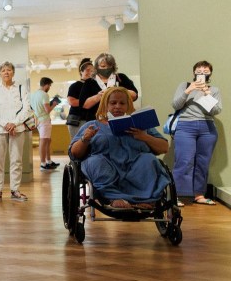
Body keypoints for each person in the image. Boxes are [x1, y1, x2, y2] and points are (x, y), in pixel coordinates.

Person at [69, 87, 169, 209]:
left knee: (148, 159)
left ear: (128, 105)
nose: (118, 106)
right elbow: (74, 153)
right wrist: (85, 139)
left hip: (135, 167)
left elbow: (164, 148)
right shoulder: (92, 125)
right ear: (105, 105)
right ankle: (113, 198)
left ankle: (143, 199)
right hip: (105, 168)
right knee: (95, 161)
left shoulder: (140, 125)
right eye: (113, 103)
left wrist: (144, 137)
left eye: (122, 103)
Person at [171, 60, 222, 206]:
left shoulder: (214, 90)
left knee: (203, 163)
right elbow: (175, 104)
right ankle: (177, 196)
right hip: (185, 126)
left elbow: (216, 111)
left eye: (206, 71)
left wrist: (207, 93)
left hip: (207, 128)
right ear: (194, 72)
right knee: (184, 161)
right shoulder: (184, 85)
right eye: (199, 71)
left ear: (210, 74)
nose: (202, 73)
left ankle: (199, 195)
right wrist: (189, 90)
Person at [0, 61, 32, 202]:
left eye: (9, 70)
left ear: (13, 73)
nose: (6, 72)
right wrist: (5, 124)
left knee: (16, 160)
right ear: (0, 73)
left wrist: (15, 123)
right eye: (3, 70)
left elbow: (27, 108)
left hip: (17, 129)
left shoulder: (21, 88)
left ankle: (15, 190)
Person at [79, 52, 138, 122]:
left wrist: (117, 91)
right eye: (103, 66)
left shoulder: (121, 77)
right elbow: (84, 105)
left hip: (121, 119)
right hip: (96, 121)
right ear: (97, 67)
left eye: (109, 66)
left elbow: (134, 96)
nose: (106, 69)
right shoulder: (89, 82)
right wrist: (99, 96)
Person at [30, 76, 59, 170]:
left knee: (47, 141)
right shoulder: (44, 95)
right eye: (49, 85)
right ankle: (43, 163)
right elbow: (47, 110)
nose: (49, 88)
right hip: (44, 120)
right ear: (46, 85)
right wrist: (54, 104)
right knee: (43, 141)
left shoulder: (34, 95)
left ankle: (48, 161)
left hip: (38, 120)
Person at [66, 58, 94, 140]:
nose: (90, 72)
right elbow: (71, 101)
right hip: (77, 121)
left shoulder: (95, 86)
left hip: (91, 120)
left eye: (92, 71)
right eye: (87, 70)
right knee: (77, 143)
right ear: (81, 71)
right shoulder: (75, 86)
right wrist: (89, 102)